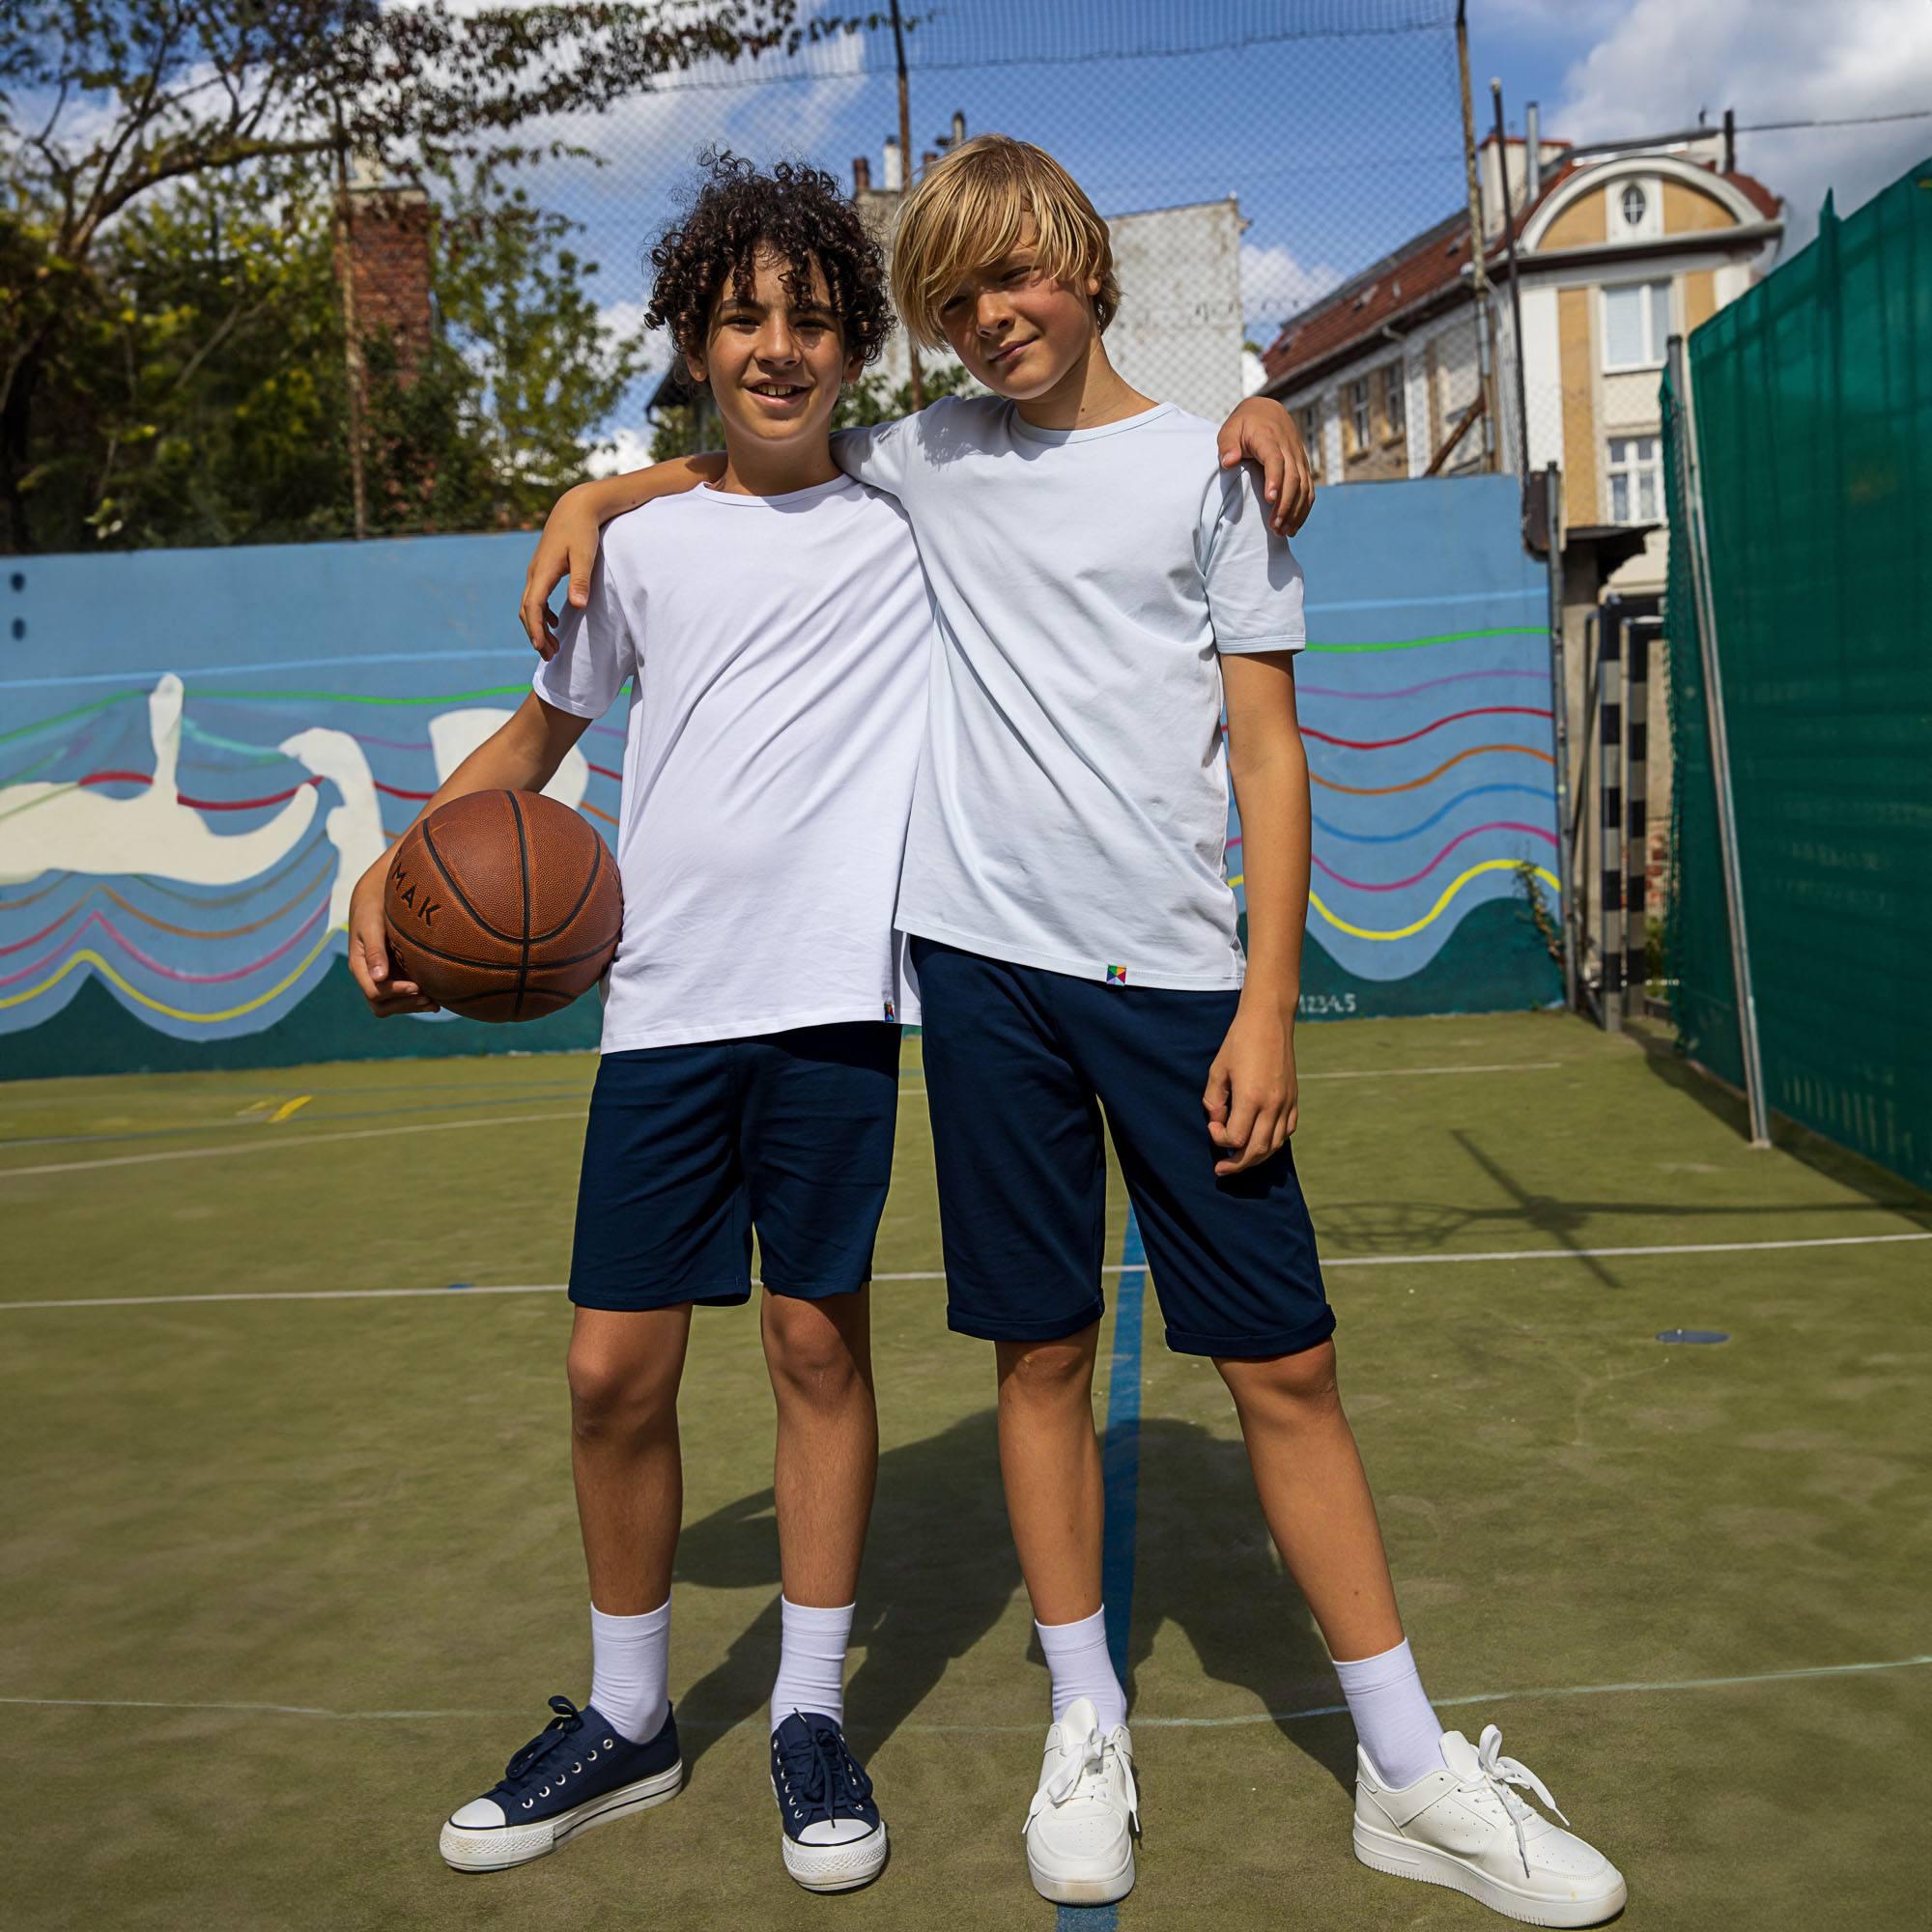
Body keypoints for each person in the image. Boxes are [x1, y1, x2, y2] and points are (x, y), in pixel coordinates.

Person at [520, 134, 1626, 1927]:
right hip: (980, 981)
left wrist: (1272, 1000)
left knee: (1284, 1369)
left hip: (1185, 993)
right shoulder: (926, 457)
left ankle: (1413, 1771)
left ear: (1089, 269)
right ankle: (1084, 1718)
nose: (991, 317)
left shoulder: (1209, 467)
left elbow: (1269, 749)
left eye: (1016, 278)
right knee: (1038, 1360)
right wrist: (597, 494)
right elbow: (751, 457)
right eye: (955, 296)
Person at [349, 154, 923, 1893]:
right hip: (665, 1009)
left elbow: (1061, 451)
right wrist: (392, 879)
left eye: (812, 319)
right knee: (614, 1367)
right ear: (691, 335)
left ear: (855, 346)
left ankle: (811, 1713)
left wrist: (1251, 424)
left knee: (815, 1348)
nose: (778, 346)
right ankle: (630, 1719)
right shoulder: (642, 545)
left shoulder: (913, 509)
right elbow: (530, 755)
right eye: (743, 317)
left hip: (838, 997)